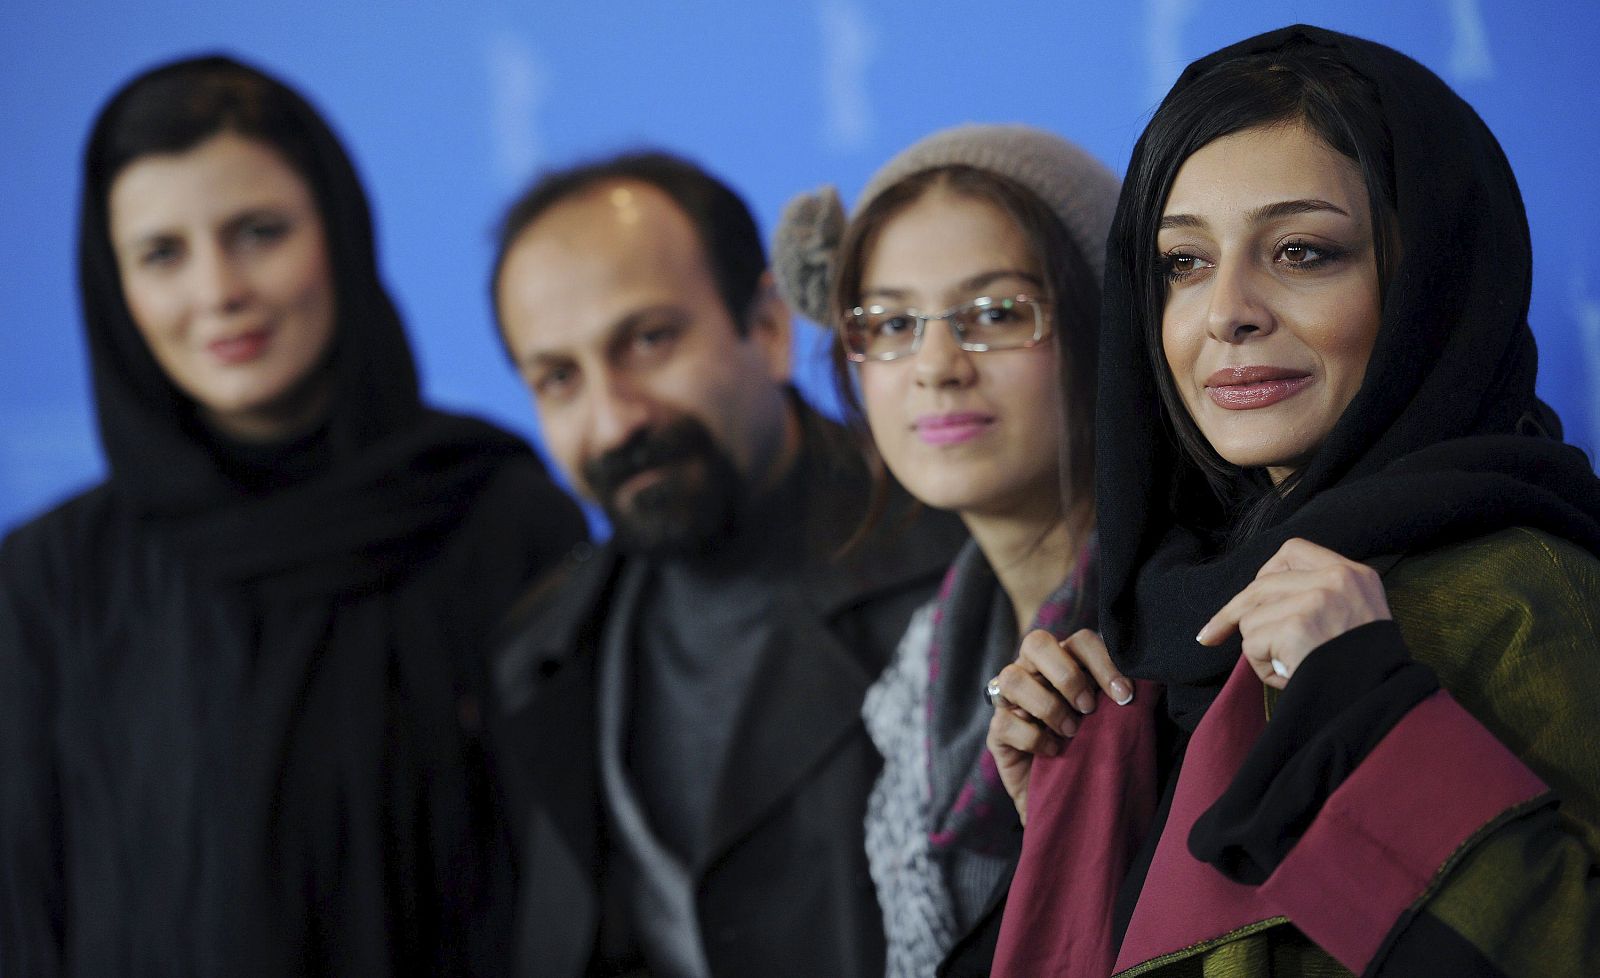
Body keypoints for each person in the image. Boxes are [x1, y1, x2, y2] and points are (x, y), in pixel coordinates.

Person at [988, 24, 1600, 978]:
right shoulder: (1154, 614)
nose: (1228, 309)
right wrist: (1082, 815)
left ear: (1429, 287)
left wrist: (1366, 705)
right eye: (1182, 263)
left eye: (1304, 251)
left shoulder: (1528, 591)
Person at [0, 56, 585, 977]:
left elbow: (571, 896)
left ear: (340, 235)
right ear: (115, 291)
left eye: (258, 232)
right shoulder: (49, 579)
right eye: (162, 254)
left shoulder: (494, 513)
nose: (218, 290)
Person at [487, 150, 966, 978]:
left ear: (770, 329)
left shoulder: (967, 576)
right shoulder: (546, 653)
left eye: (647, 340)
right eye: (559, 379)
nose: (612, 422)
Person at [772, 124, 1134, 977]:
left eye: (998, 313)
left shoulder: (1184, 631)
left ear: (1108, 326)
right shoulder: (912, 680)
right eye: (891, 323)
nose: (935, 364)